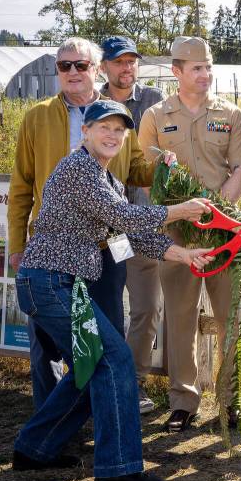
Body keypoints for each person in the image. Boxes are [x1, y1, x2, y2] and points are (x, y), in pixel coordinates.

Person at [11, 100, 213, 481]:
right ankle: (118, 467)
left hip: (62, 285)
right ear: (84, 132)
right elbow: (124, 218)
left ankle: (34, 449)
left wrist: (184, 254)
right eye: (103, 126)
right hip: (50, 282)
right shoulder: (77, 169)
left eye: (120, 130)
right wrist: (181, 210)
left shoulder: (109, 182)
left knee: (89, 368)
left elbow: (127, 237)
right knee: (114, 358)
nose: (112, 135)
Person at [8, 38, 156, 410]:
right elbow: (22, 185)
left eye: (80, 65)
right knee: (46, 342)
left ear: (96, 68)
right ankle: (50, 417)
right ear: (57, 71)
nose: (72, 72)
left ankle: (103, 411)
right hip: (54, 248)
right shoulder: (37, 116)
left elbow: (136, 168)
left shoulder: (117, 115)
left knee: (106, 330)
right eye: (64, 66)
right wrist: (16, 245)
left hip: (107, 245)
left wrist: (166, 167)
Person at [139, 36, 241, 432]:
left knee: (230, 320)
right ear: (177, 72)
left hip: (224, 236)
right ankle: (183, 401)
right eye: (197, 69)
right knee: (181, 319)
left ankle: (232, 401)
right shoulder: (155, 116)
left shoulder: (231, 114)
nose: (206, 75)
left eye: (209, 67)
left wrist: (220, 213)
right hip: (178, 238)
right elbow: (146, 167)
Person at [99, 35, 166, 416]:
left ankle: (134, 382)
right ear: (104, 67)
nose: (126, 68)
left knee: (145, 307)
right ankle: (103, 380)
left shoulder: (153, 101)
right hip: (106, 231)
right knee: (108, 305)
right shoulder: (93, 105)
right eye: (118, 62)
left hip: (141, 226)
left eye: (131, 61)